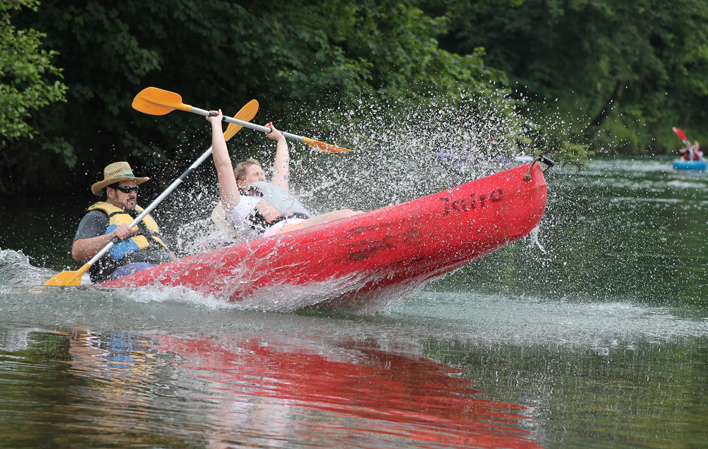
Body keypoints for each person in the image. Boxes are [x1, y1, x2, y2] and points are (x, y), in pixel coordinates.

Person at [207, 110, 362, 238]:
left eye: (262, 173)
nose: (262, 177)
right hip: (280, 238)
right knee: (348, 215)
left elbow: (282, 170)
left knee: (357, 214)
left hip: (301, 229)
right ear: (241, 183)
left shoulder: (273, 195)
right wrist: (216, 123)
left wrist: (281, 139)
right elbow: (223, 165)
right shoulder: (235, 203)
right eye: (255, 174)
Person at [72, 162, 176, 282]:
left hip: (159, 267)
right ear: (110, 193)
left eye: (135, 189)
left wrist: (182, 265)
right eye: (126, 190)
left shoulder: (142, 214)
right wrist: (111, 236)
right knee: (150, 270)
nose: (132, 194)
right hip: (120, 272)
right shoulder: (97, 216)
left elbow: (165, 248)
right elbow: (77, 252)